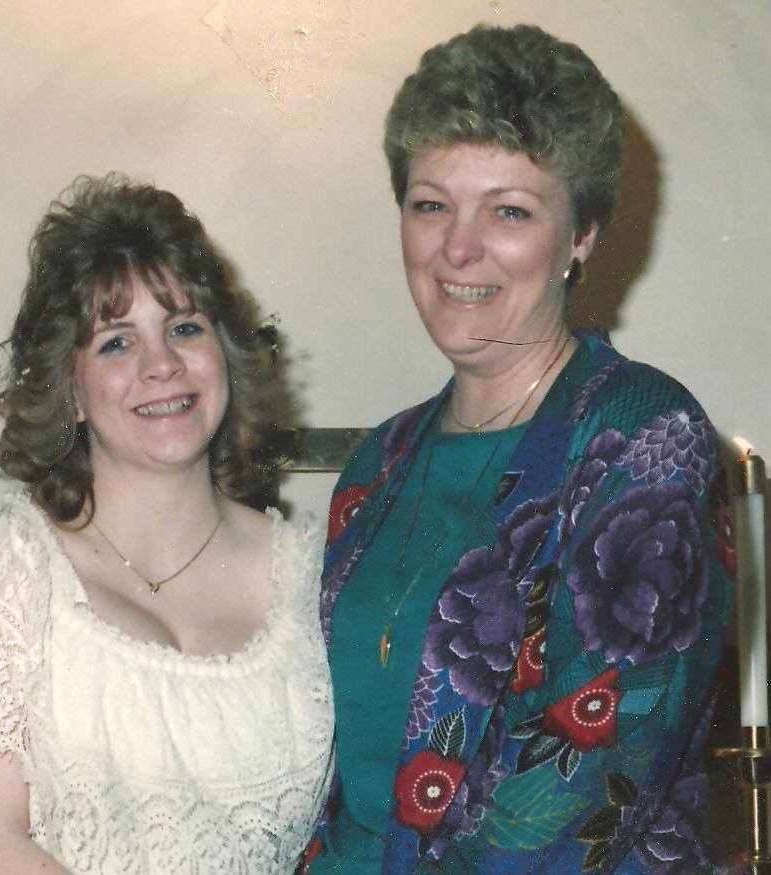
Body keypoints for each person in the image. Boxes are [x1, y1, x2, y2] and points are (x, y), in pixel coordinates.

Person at [306, 23, 732, 874]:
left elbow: (584, 788)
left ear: (581, 234)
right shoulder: (375, 466)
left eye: (508, 211)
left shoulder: (645, 435)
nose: (457, 248)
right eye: (431, 204)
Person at [0, 174, 334, 874]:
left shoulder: (313, 573)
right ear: (70, 390)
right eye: (117, 343)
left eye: (184, 328)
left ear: (226, 355)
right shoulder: (3, 565)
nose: (162, 365)